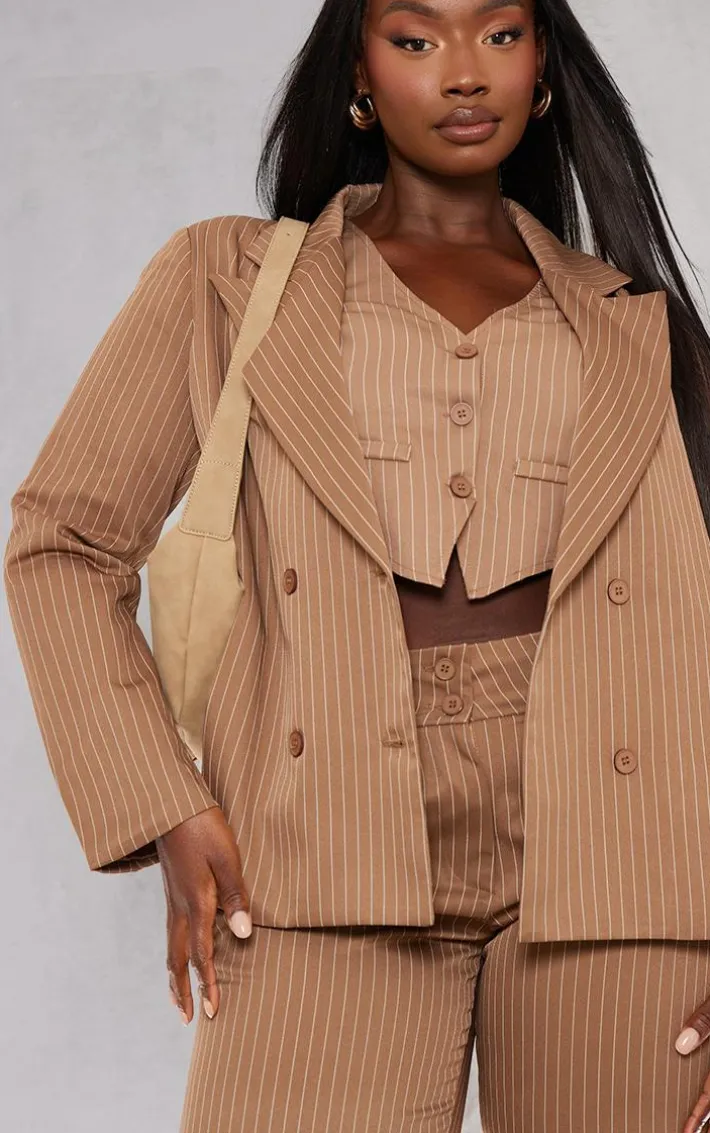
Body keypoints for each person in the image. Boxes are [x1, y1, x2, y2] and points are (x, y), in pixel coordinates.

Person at [6, 0, 710, 1129]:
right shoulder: (227, 280)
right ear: (360, 75)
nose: (464, 72)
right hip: (315, 821)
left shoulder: (633, 319)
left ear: (542, 66)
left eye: (499, 33)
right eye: (416, 39)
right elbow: (63, 543)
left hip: (624, 841)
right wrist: (164, 802)